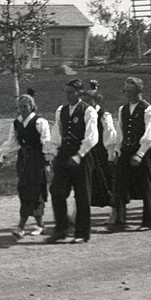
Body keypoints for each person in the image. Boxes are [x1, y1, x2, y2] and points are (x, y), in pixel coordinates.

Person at [45, 79, 98, 243]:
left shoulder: (88, 111)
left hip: (81, 156)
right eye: (66, 92)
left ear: (79, 93)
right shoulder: (61, 111)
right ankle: (61, 228)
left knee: (82, 195)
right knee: (56, 190)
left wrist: (80, 154)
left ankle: (82, 233)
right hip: (64, 154)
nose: (68, 95)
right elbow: (56, 134)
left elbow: (92, 137)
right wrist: (53, 154)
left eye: (71, 92)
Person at [0, 90, 49, 238]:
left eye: (25, 106)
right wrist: (2, 158)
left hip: (36, 160)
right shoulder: (16, 124)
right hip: (23, 161)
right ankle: (40, 225)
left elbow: (46, 142)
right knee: (24, 190)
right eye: (20, 107)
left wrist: (48, 161)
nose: (23, 109)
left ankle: (21, 226)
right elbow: (12, 143)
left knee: (35, 190)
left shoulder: (39, 122)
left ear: (32, 107)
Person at [112, 77, 151, 231]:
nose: (127, 94)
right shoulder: (122, 110)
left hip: (143, 153)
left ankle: (147, 221)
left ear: (138, 91)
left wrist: (140, 153)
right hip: (126, 150)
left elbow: (150, 134)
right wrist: (117, 150)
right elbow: (120, 131)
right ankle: (119, 220)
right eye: (125, 91)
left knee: (146, 186)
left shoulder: (149, 110)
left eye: (130, 91)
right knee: (119, 186)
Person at [80, 82, 118, 226]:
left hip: (102, 155)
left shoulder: (103, 116)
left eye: (89, 101)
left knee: (107, 183)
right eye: (85, 101)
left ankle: (115, 213)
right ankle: (78, 214)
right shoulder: (84, 114)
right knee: (84, 183)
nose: (87, 104)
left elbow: (110, 136)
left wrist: (110, 156)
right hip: (88, 154)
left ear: (96, 101)